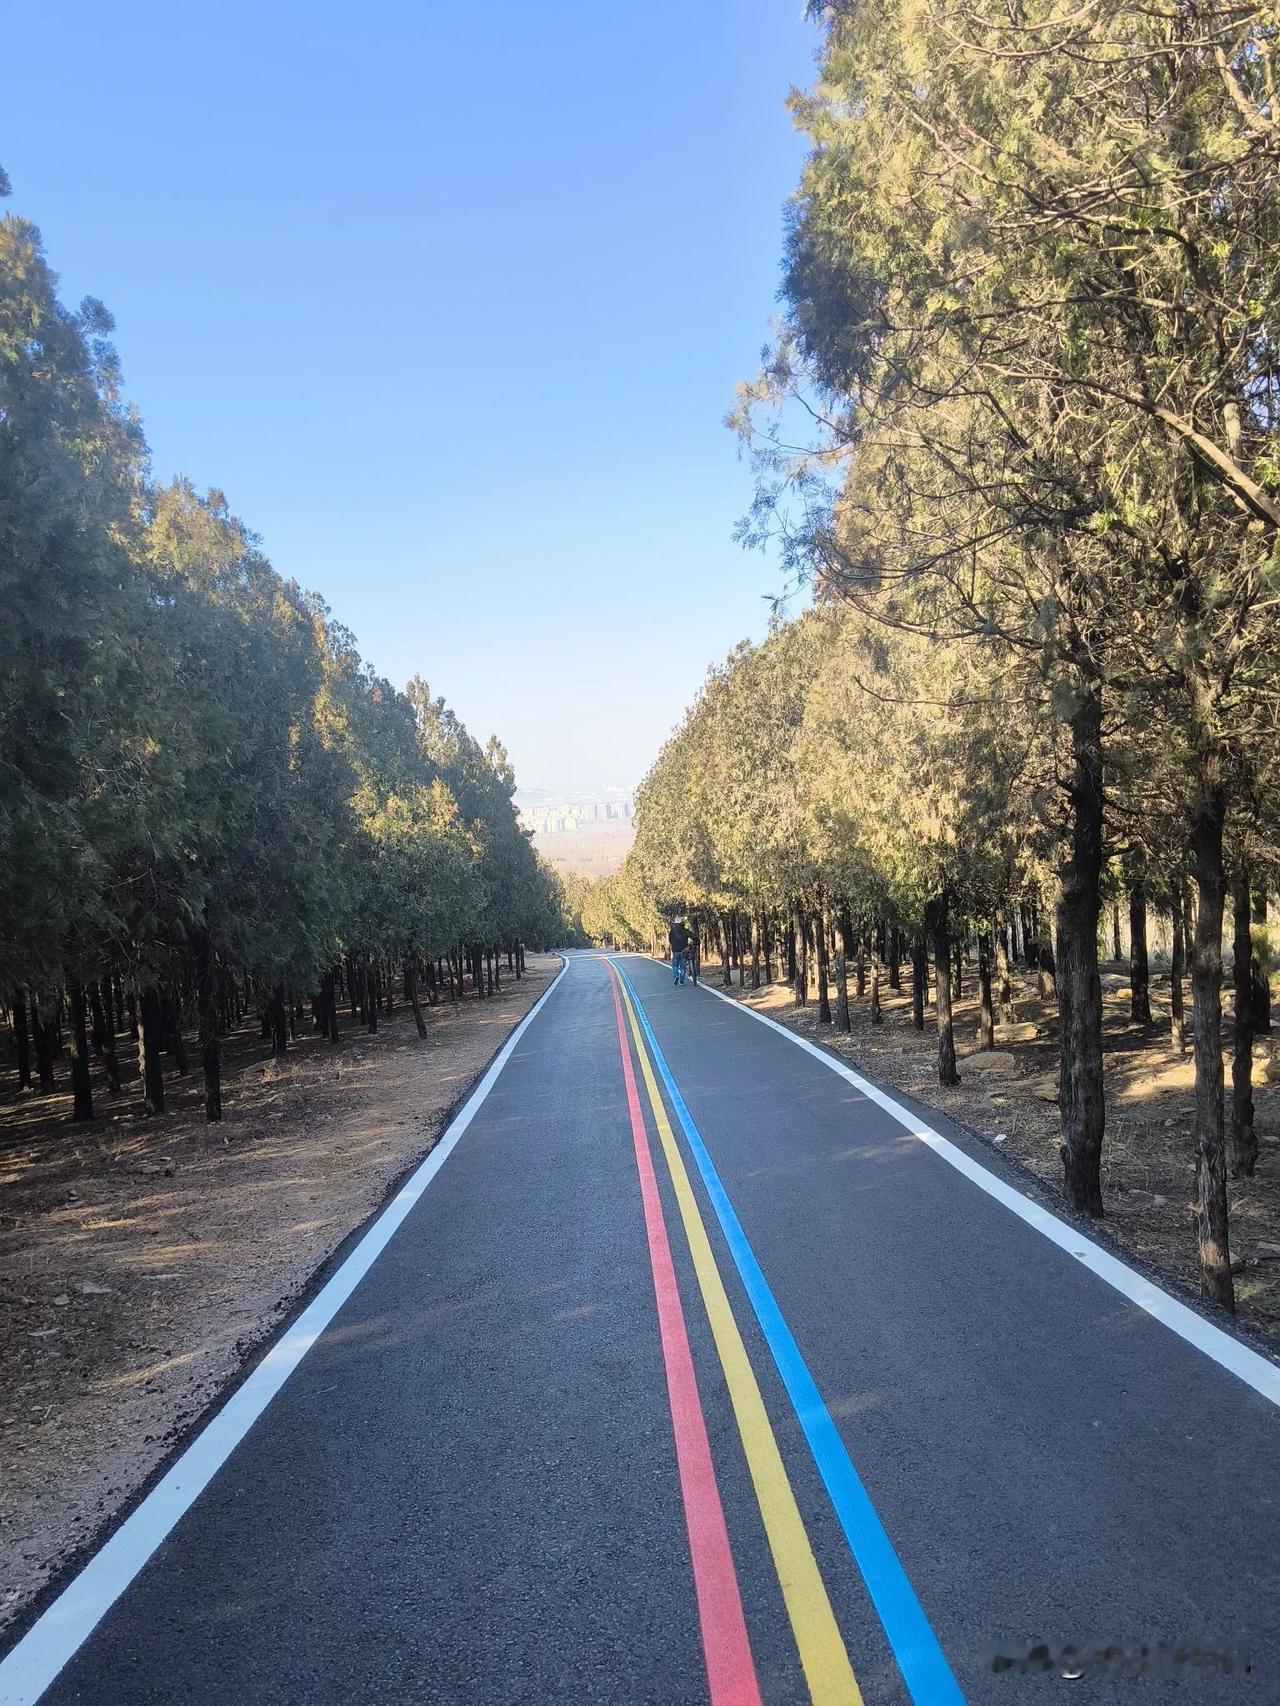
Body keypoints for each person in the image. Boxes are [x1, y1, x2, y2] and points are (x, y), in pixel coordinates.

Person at [669, 917, 691, 986]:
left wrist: (672, 946)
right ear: (682, 923)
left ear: (675, 923)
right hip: (684, 951)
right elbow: (692, 936)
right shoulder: (685, 930)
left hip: (675, 951)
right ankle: (682, 980)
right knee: (683, 967)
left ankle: (676, 976)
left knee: (675, 966)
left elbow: (670, 940)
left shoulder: (672, 931)